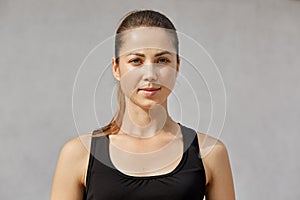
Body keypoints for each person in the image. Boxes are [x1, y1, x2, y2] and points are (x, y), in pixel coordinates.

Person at [50, 9, 235, 200]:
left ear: (177, 66)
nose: (150, 74)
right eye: (136, 61)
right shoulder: (78, 154)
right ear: (116, 68)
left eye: (162, 60)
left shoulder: (210, 153)